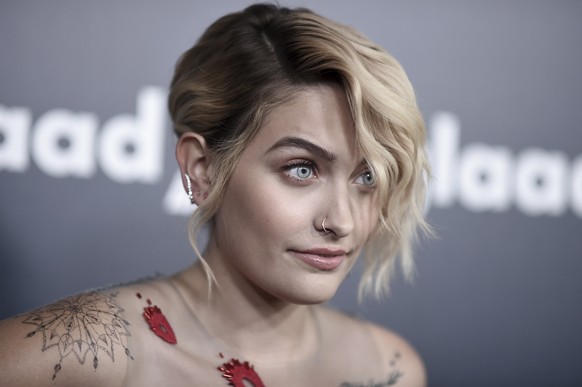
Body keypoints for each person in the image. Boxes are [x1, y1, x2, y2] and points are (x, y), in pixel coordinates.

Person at [0, 3, 431, 386]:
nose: (342, 221)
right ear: (201, 169)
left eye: (368, 177)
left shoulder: (389, 369)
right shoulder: (76, 354)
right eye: (302, 169)